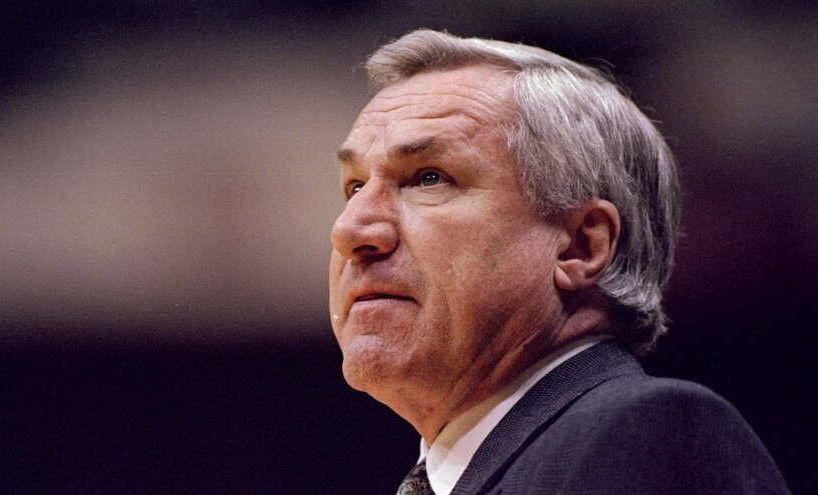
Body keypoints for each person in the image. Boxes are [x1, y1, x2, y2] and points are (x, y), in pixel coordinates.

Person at [328, 29, 789, 495]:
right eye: (355, 187)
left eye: (429, 178)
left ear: (580, 247)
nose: (350, 231)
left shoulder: (649, 439)